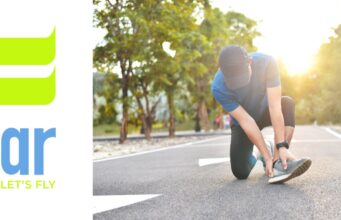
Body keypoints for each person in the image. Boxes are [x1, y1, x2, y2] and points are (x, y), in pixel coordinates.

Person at [211, 45, 311, 183]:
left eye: (243, 77)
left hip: (266, 111)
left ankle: (279, 163)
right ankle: (265, 154)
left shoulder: (267, 63)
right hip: (243, 122)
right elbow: (246, 121)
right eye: (234, 81)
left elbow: (275, 107)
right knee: (240, 172)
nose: (240, 84)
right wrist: (266, 155)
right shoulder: (218, 87)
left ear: (250, 62)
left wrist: (282, 146)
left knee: (286, 104)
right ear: (221, 70)